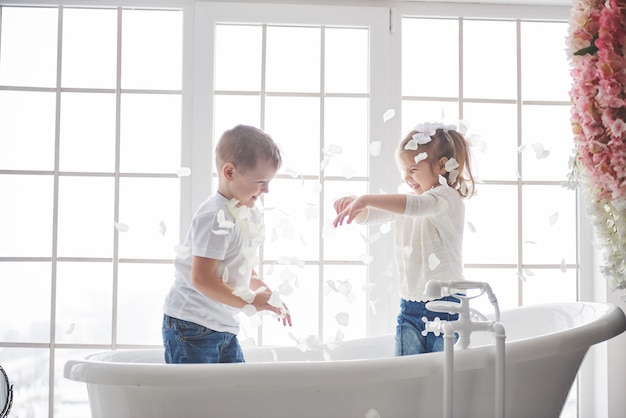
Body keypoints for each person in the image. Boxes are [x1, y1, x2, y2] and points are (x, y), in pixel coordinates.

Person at [333, 122, 476, 355]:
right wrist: (356, 207)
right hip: (411, 306)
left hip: (447, 305)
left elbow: (417, 206)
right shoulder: (411, 203)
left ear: (441, 167)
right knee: (408, 375)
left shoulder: (446, 198)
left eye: (412, 170)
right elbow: (375, 214)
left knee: (444, 377)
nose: (407, 178)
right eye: (404, 171)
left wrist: (366, 198)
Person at [163, 124, 291, 364]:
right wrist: (251, 301)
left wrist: (265, 293)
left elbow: (237, 265)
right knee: (198, 399)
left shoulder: (247, 212)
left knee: (233, 396)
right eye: (261, 181)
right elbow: (201, 278)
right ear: (230, 172)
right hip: (191, 326)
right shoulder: (213, 216)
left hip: (223, 325)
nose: (267, 190)